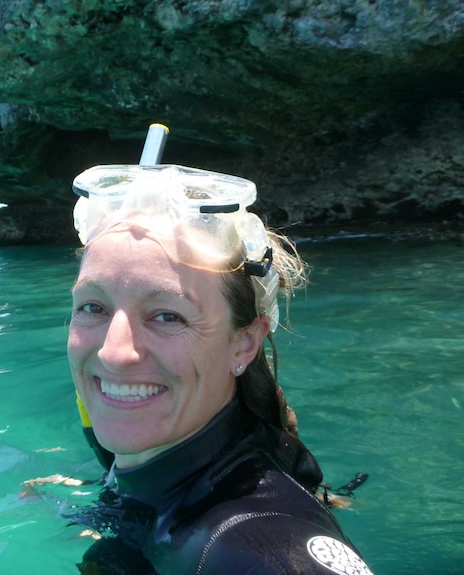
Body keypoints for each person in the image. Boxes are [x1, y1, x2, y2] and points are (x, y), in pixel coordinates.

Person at [65, 125, 374, 574]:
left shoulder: (257, 549)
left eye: (168, 316)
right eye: (93, 306)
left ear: (244, 343)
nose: (114, 354)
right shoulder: (148, 434)